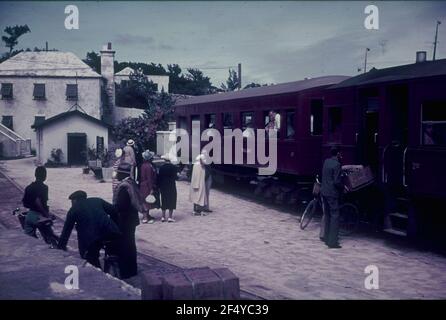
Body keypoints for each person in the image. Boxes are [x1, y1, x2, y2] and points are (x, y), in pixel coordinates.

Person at [57, 191, 121, 268]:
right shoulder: (97, 200)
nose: (72, 203)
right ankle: (117, 269)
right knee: (113, 251)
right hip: (112, 232)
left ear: (75, 200)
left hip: (93, 239)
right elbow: (114, 211)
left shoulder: (73, 209)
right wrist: (113, 225)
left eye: (72, 201)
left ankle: (99, 274)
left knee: (91, 257)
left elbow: (66, 231)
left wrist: (60, 246)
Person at [113, 163, 143, 279]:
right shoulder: (131, 183)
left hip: (125, 221)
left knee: (125, 245)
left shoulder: (124, 187)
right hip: (132, 220)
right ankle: (132, 269)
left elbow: (121, 206)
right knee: (131, 244)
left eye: (118, 173)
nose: (116, 175)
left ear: (121, 174)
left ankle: (126, 271)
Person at [22, 166, 58, 244]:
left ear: (35, 175)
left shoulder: (28, 187)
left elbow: (25, 203)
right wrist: (47, 215)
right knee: (50, 239)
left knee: (28, 241)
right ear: (45, 176)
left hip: (30, 215)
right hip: (40, 217)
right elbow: (38, 201)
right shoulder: (44, 187)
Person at [320, 146, 344, 249]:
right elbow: (336, 181)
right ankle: (332, 242)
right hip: (332, 193)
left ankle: (326, 238)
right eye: (340, 153)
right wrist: (344, 187)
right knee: (335, 215)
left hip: (324, 191)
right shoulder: (337, 164)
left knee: (328, 214)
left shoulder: (326, 161)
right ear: (338, 153)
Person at [158, 154, 178, 222]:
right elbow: (176, 177)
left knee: (164, 199)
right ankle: (170, 217)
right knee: (171, 200)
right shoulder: (173, 167)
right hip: (171, 185)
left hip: (163, 186)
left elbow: (159, 177)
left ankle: (163, 216)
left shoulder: (161, 167)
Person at [139, 150, 156, 224]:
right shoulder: (149, 166)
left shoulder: (143, 165)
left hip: (143, 184)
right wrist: (151, 188)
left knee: (145, 200)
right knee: (146, 201)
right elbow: (149, 178)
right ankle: (145, 217)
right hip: (147, 185)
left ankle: (146, 215)